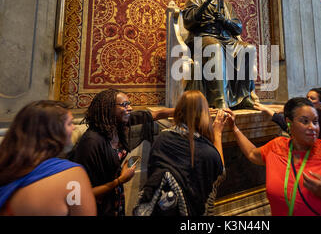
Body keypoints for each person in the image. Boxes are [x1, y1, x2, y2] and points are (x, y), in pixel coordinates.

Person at [226, 97, 321, 216]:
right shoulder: (276, 146)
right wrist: (234, 128)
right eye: (305, 121)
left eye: (315, 122)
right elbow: (252, 153)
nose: (313, 127)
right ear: (289, 123)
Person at [68, 88, 174, 216]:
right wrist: (120, 180)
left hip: (114, 197)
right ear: (108, 108)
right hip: (97, 206)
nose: (129, 108)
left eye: (129, 104)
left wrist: (188, 108)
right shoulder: (91, 142)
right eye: (124, 105)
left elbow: (157, 114)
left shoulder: (117, 124)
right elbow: (83, 192)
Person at [182, 0, 258, 109]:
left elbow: (237, 28)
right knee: (214, 47)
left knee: (248, 49)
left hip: (226, 39)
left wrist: (222, 19)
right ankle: (219, 100)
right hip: (203, 38)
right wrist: (205, 3)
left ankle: (244, 97)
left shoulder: (225, 3)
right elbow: (188, 22)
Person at [134, 90, 227, 216]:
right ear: (204, 115)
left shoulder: (162, 138)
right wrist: (218, 133)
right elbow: (220, 173)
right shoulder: (207, 152)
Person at [0, 100, 96, 216]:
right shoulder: (72, 175)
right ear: (54, 131)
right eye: (70, 123)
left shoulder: (6, 168)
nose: (74, 128)